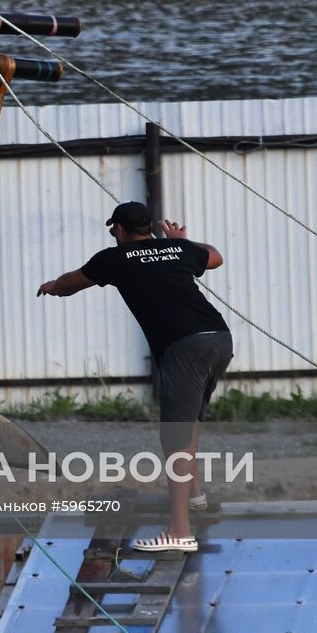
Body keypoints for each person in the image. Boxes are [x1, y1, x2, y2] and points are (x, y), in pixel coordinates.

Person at [37, 200, 231, 553]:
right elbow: (215, 256)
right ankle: (196, 497)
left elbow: (70, 284)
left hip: (183, 346)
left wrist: (50, 285)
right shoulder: (176, 248)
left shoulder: (113, 259)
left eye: (114, 230)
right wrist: (181, 241)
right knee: (187, 422)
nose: (113, 235)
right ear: (150, 228)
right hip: (218, 338)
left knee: (174, 435)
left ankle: (179, 531)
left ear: (121, 231)